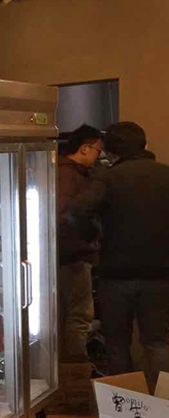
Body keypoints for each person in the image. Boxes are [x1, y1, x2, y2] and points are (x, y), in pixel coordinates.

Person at [67, 122, 169, 390]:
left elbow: (77, 210)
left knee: (117, 343)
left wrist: (92, 235)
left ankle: (124, 404)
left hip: (116, 275)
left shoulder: (108, 178)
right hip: (160, 275)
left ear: (111, 151)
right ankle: (164, 402)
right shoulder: (165, 175)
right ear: (144, 145)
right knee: (157, 342)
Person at [57, 124, 103, 362]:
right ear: (84, 148)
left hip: (66, 255)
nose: (99, 156)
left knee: (68, 315)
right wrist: (91, 237)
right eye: (97, 150)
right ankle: (75, 370)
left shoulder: (60, 170)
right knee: (79, 315)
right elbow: (67, 216)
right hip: (73, 257)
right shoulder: (69, 176)